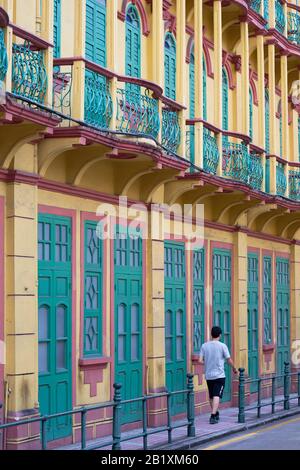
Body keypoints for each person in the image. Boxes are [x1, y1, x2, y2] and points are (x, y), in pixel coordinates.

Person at [199, 326, 237, 424]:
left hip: (209, 375)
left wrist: (207, 362)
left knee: (211, 396)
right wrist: (234, 368)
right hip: (219, 375)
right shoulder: (222, 346)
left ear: (211, 334)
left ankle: (215, 413)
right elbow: (228, 359)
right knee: (217, 395)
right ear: (220, 335)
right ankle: (212, 415)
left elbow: (200, 360)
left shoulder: (204, 346)